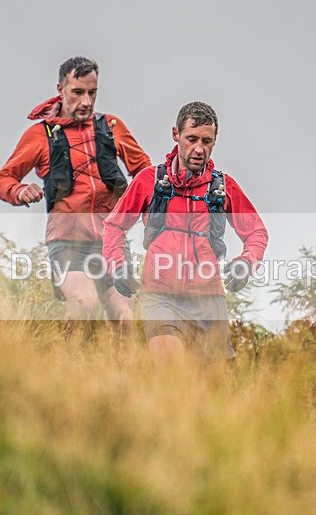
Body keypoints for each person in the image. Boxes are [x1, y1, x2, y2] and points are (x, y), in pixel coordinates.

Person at [102, 101, 269, 365]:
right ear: (176, 134)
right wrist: (118, 266)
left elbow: (257, 232)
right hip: (160, 296)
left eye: (207, 141)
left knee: (212, 386)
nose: (199, 149)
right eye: (192, 139)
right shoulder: (149, 181)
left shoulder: (224, 187)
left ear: (214, 141)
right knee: (172, 373)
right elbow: (114, 225)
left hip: (209, 300)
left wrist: (246, 263)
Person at [0, 57, 151, 325]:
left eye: (92, 93)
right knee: (84, 304)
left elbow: (144, 171)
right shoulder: (40, 135)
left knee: (124, 319)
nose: (86, 101)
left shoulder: (111, 127)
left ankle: (113, 356)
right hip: (67, 242)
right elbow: (4, 178)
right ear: (61, 89)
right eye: (78, 92)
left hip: (112, 240)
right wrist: (20, 191)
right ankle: (65, 351)